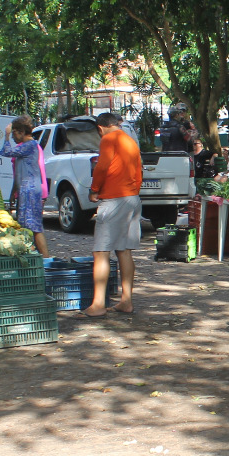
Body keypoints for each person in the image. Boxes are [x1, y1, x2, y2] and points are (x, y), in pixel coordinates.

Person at [84, 112, 144, 317]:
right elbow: (139, 172)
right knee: (124, 250)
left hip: (114, 200)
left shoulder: (109, 139)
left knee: (101, 251)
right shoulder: (130, 141)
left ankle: (98, 304)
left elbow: (102, 166)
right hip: (132, 199)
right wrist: (133, 192)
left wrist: (94, 189)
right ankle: (126, 301)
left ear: (100, 128)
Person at [0, 115, 50, 258]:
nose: (14, 137)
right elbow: (18, 173)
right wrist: (12, 193)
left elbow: (6, 152)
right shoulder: (26, 147)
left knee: (34, 227)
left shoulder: (30, 145)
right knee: (27, 227)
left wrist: (6, 136)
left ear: (22, 132)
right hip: (25, 190)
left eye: (15, 133)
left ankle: (45, 259)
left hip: (31, 191)